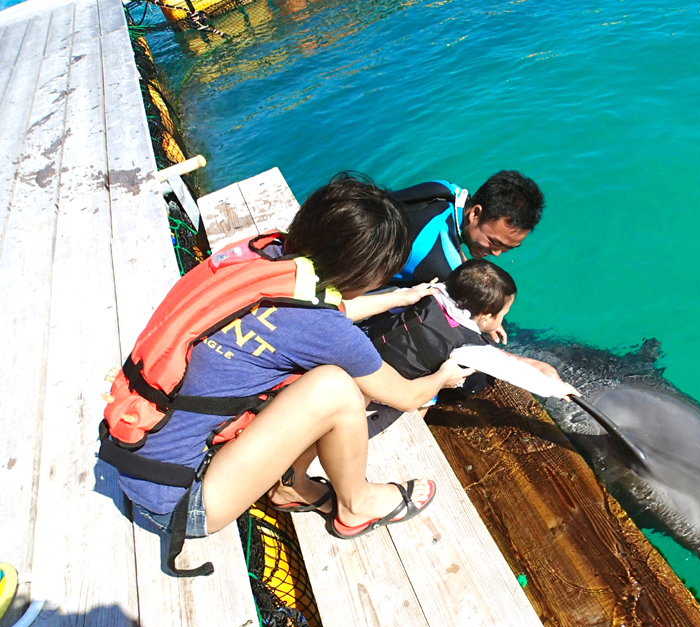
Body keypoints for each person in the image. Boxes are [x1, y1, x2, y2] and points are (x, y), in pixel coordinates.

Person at [100, 173, 472, 571]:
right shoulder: (323, 329)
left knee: (334, 374)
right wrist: (444, 376)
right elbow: (407, 397)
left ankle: (291, 487)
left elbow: (315, 314)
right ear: (364, 274)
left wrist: (397, 298)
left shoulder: (261, 257)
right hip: (180, 501)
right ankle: (356, 504)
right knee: (338, 388)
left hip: (138, 448)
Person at [361, 259, 576, 396]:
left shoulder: (428, 292)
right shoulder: (466, 345)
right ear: (485, 317)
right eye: (502, 315)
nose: (501, 320)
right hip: (388, 387)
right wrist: (556, 389)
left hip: (363, 349)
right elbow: (510, 370)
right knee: (431, 398)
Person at [390, 170, 544, 297]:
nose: (496, 254)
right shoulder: (440, 264)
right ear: (475, 213)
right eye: (494, 242)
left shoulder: (444, 189)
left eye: (507, 248)